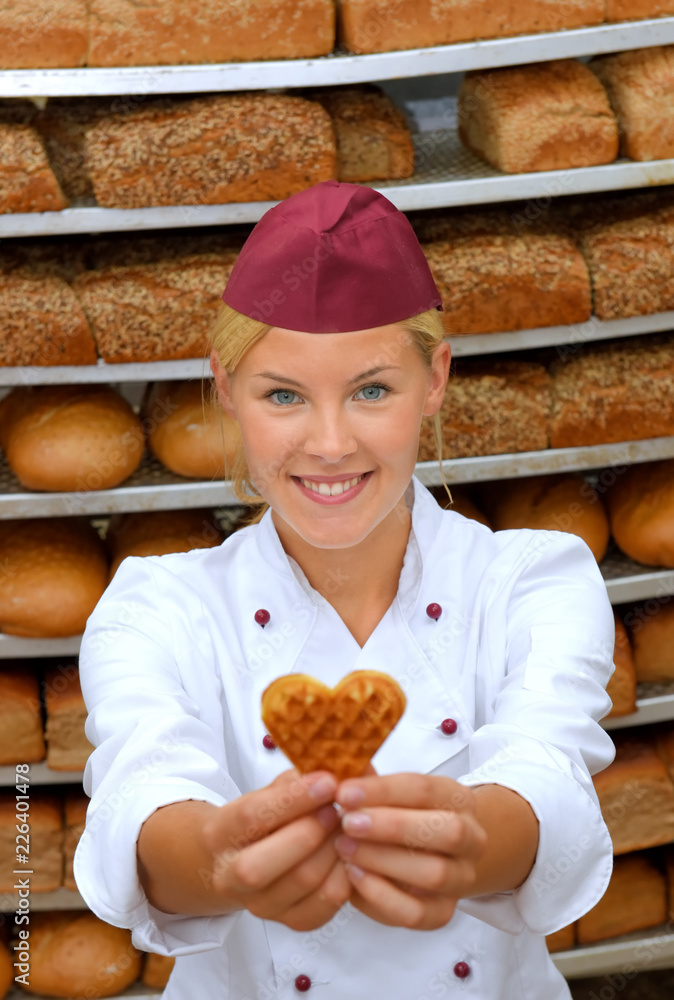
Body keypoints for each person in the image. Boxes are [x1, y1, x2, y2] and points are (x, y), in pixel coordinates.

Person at [74, 180, 616, 1000]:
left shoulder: (534, 581)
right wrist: (219, 858)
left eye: (371, 390)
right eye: (283, 394)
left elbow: (550, 775)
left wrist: (478, 839)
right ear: (224, 387)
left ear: (434, 379)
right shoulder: (156, 606)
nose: (329, 445)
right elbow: (142, 794)